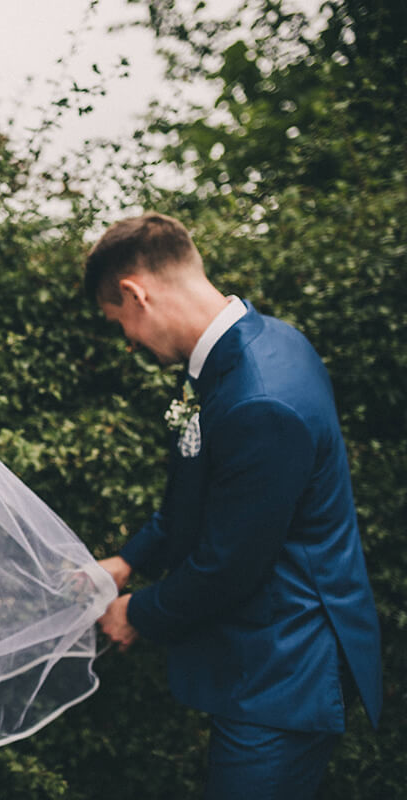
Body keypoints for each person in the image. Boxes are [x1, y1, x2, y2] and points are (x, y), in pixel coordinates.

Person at [86, 212, 382, 798]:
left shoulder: (261, 397)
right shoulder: (262, 340)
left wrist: (134, 612)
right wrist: (128, 560)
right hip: (259, 651)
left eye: (120, 322)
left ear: (134, 292)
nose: (129, 341)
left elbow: (230, 564)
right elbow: (199, 494)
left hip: (284, 667)